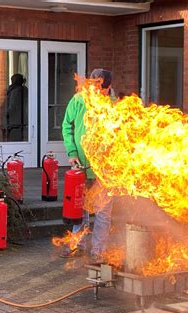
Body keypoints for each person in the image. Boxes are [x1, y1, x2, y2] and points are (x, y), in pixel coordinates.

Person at [60, 68, 115, 262]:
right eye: (95, 87)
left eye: (102, 89)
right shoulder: (78, 100)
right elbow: (67, 126)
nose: (98, 92)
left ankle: (98, 251)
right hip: (81, 167)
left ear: (108, 88)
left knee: (103, 214)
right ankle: (77, 244)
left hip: (105, 170)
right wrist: (72, 153)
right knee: (79, 209)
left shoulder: (116, 106)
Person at [5, 73, 28, 142]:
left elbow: (12, 106)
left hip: (14, 120)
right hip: (22, 118)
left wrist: (6, 114)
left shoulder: (15, 91)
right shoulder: (25, 90)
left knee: (14, 140)